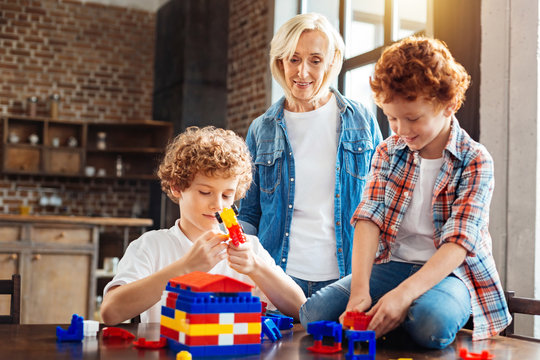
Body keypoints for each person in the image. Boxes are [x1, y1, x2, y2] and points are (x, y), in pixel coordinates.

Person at [299, 36, 512, 349]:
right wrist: (359, 289)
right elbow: (368, 218)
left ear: (448, 104)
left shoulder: (475, 159)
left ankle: (399, 314)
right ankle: (390, 316)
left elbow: (459, 244)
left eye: (412, 118)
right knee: (313, 314)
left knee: (430, 325)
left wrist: (402, 295)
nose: (400, 130)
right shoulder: (388, 151)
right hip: (393, 264)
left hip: (451, 274)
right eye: (391, 117)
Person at [238, 13, 382, 298]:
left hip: (347, 279)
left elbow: (382, 202)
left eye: (315, 60)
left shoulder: (361, 120)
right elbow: (250, 214)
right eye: (293, 59)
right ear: (280, 62)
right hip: (278, 277)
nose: (302, 72)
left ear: (332, 61)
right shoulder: (261, 129)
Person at [100, 126, 306, 325]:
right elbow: (111, 312)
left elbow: (302, 310)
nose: (218, 205)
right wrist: (185, 267)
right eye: (205, 192)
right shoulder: (151, 246)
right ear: (177, 187)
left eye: (227, 195)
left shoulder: (249, 249)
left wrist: (256, 266)